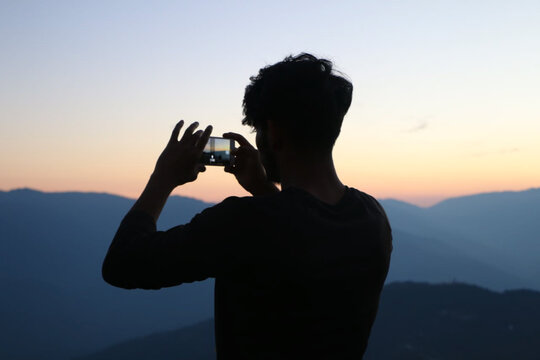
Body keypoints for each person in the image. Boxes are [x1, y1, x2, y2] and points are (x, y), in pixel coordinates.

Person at [102, 53, 393, 359]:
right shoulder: (372, 218)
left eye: (258, 130)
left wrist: (162, 179)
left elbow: (123, 263)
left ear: (274, 132)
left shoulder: (244, 223)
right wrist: (263, 189)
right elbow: (303, 237)